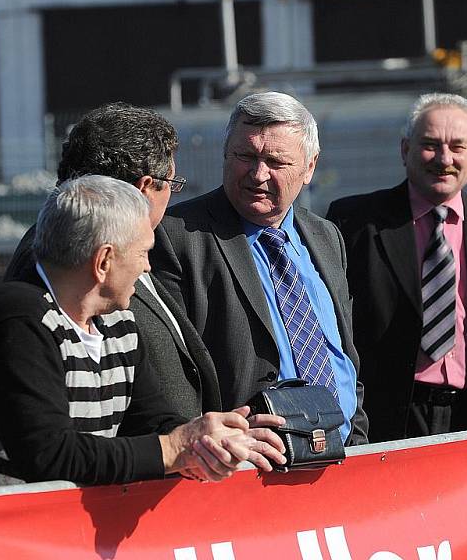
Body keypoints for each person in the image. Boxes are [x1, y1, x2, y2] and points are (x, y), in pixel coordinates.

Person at [0, 176, 287, 485]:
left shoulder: (119, 323)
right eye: (143, 252)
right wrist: (174, 448)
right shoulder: (21, 316)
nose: (147, 267)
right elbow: (49, 454)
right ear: (104, 261)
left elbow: (152, 420)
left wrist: (211, 439)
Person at [150, 91, 368, 445]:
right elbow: (170, 374)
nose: (257, 174)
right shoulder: (178, 237)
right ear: (225, 153)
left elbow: (342, 354)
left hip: (342, 457)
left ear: (309, 167)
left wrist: (355, 435)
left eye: (276, 162)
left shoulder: (327, 237)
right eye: (245, 156)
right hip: (244, 467)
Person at [327, 93, 467, 442]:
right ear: (405, 150)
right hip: (384, 417)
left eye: (457, 147)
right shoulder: (354, 223)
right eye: (430, 145)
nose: (444, 159)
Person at [4, 103, 220, 419]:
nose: (145, 265)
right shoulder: (54, 257)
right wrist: (169, 446)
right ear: (145, 187)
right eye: (172, 185)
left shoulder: (128, 243)